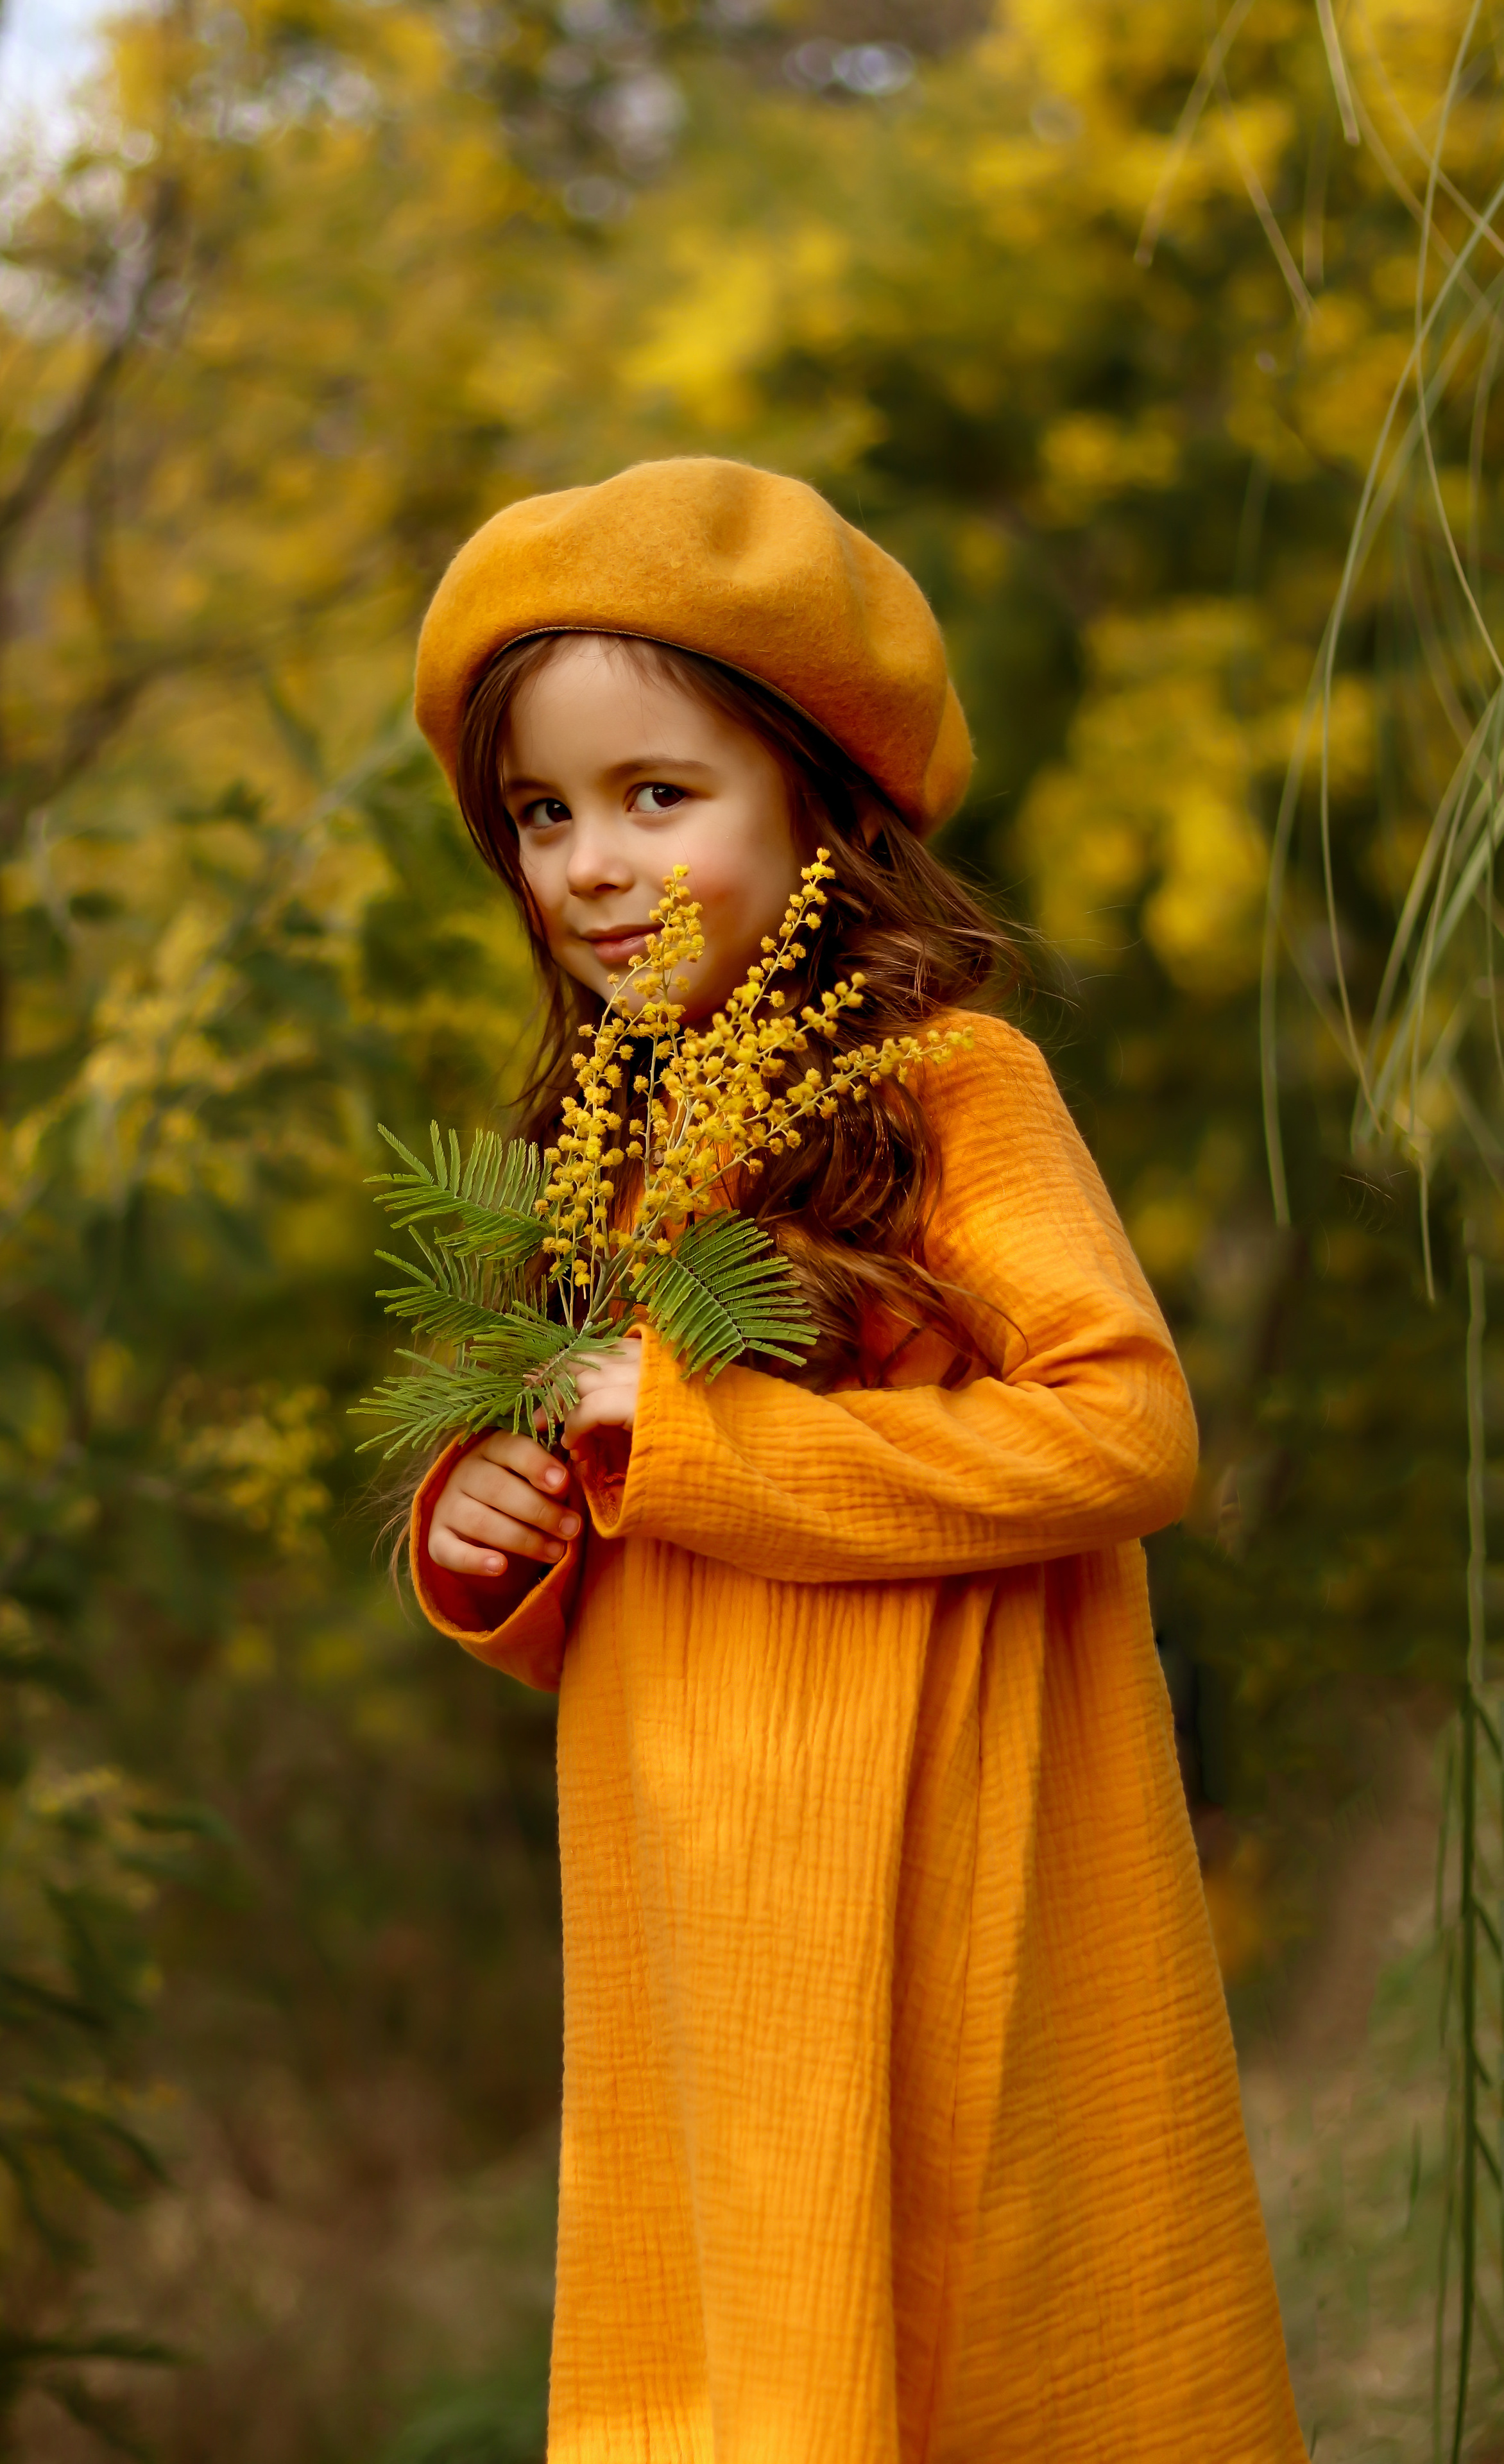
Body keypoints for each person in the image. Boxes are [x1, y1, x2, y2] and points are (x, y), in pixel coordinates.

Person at [402, 458, 1306, 2461]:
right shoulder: (596, 1144)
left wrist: (702, 1440)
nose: (591, 865)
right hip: (699, 1895)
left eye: (659, 796)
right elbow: (626, 1519)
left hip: (931, 1845)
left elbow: (1129, 1430)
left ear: (822, 805)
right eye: (543, 815)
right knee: (730, 2368)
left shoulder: (945, 1083)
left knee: (974, 2342)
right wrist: (495, 1540)